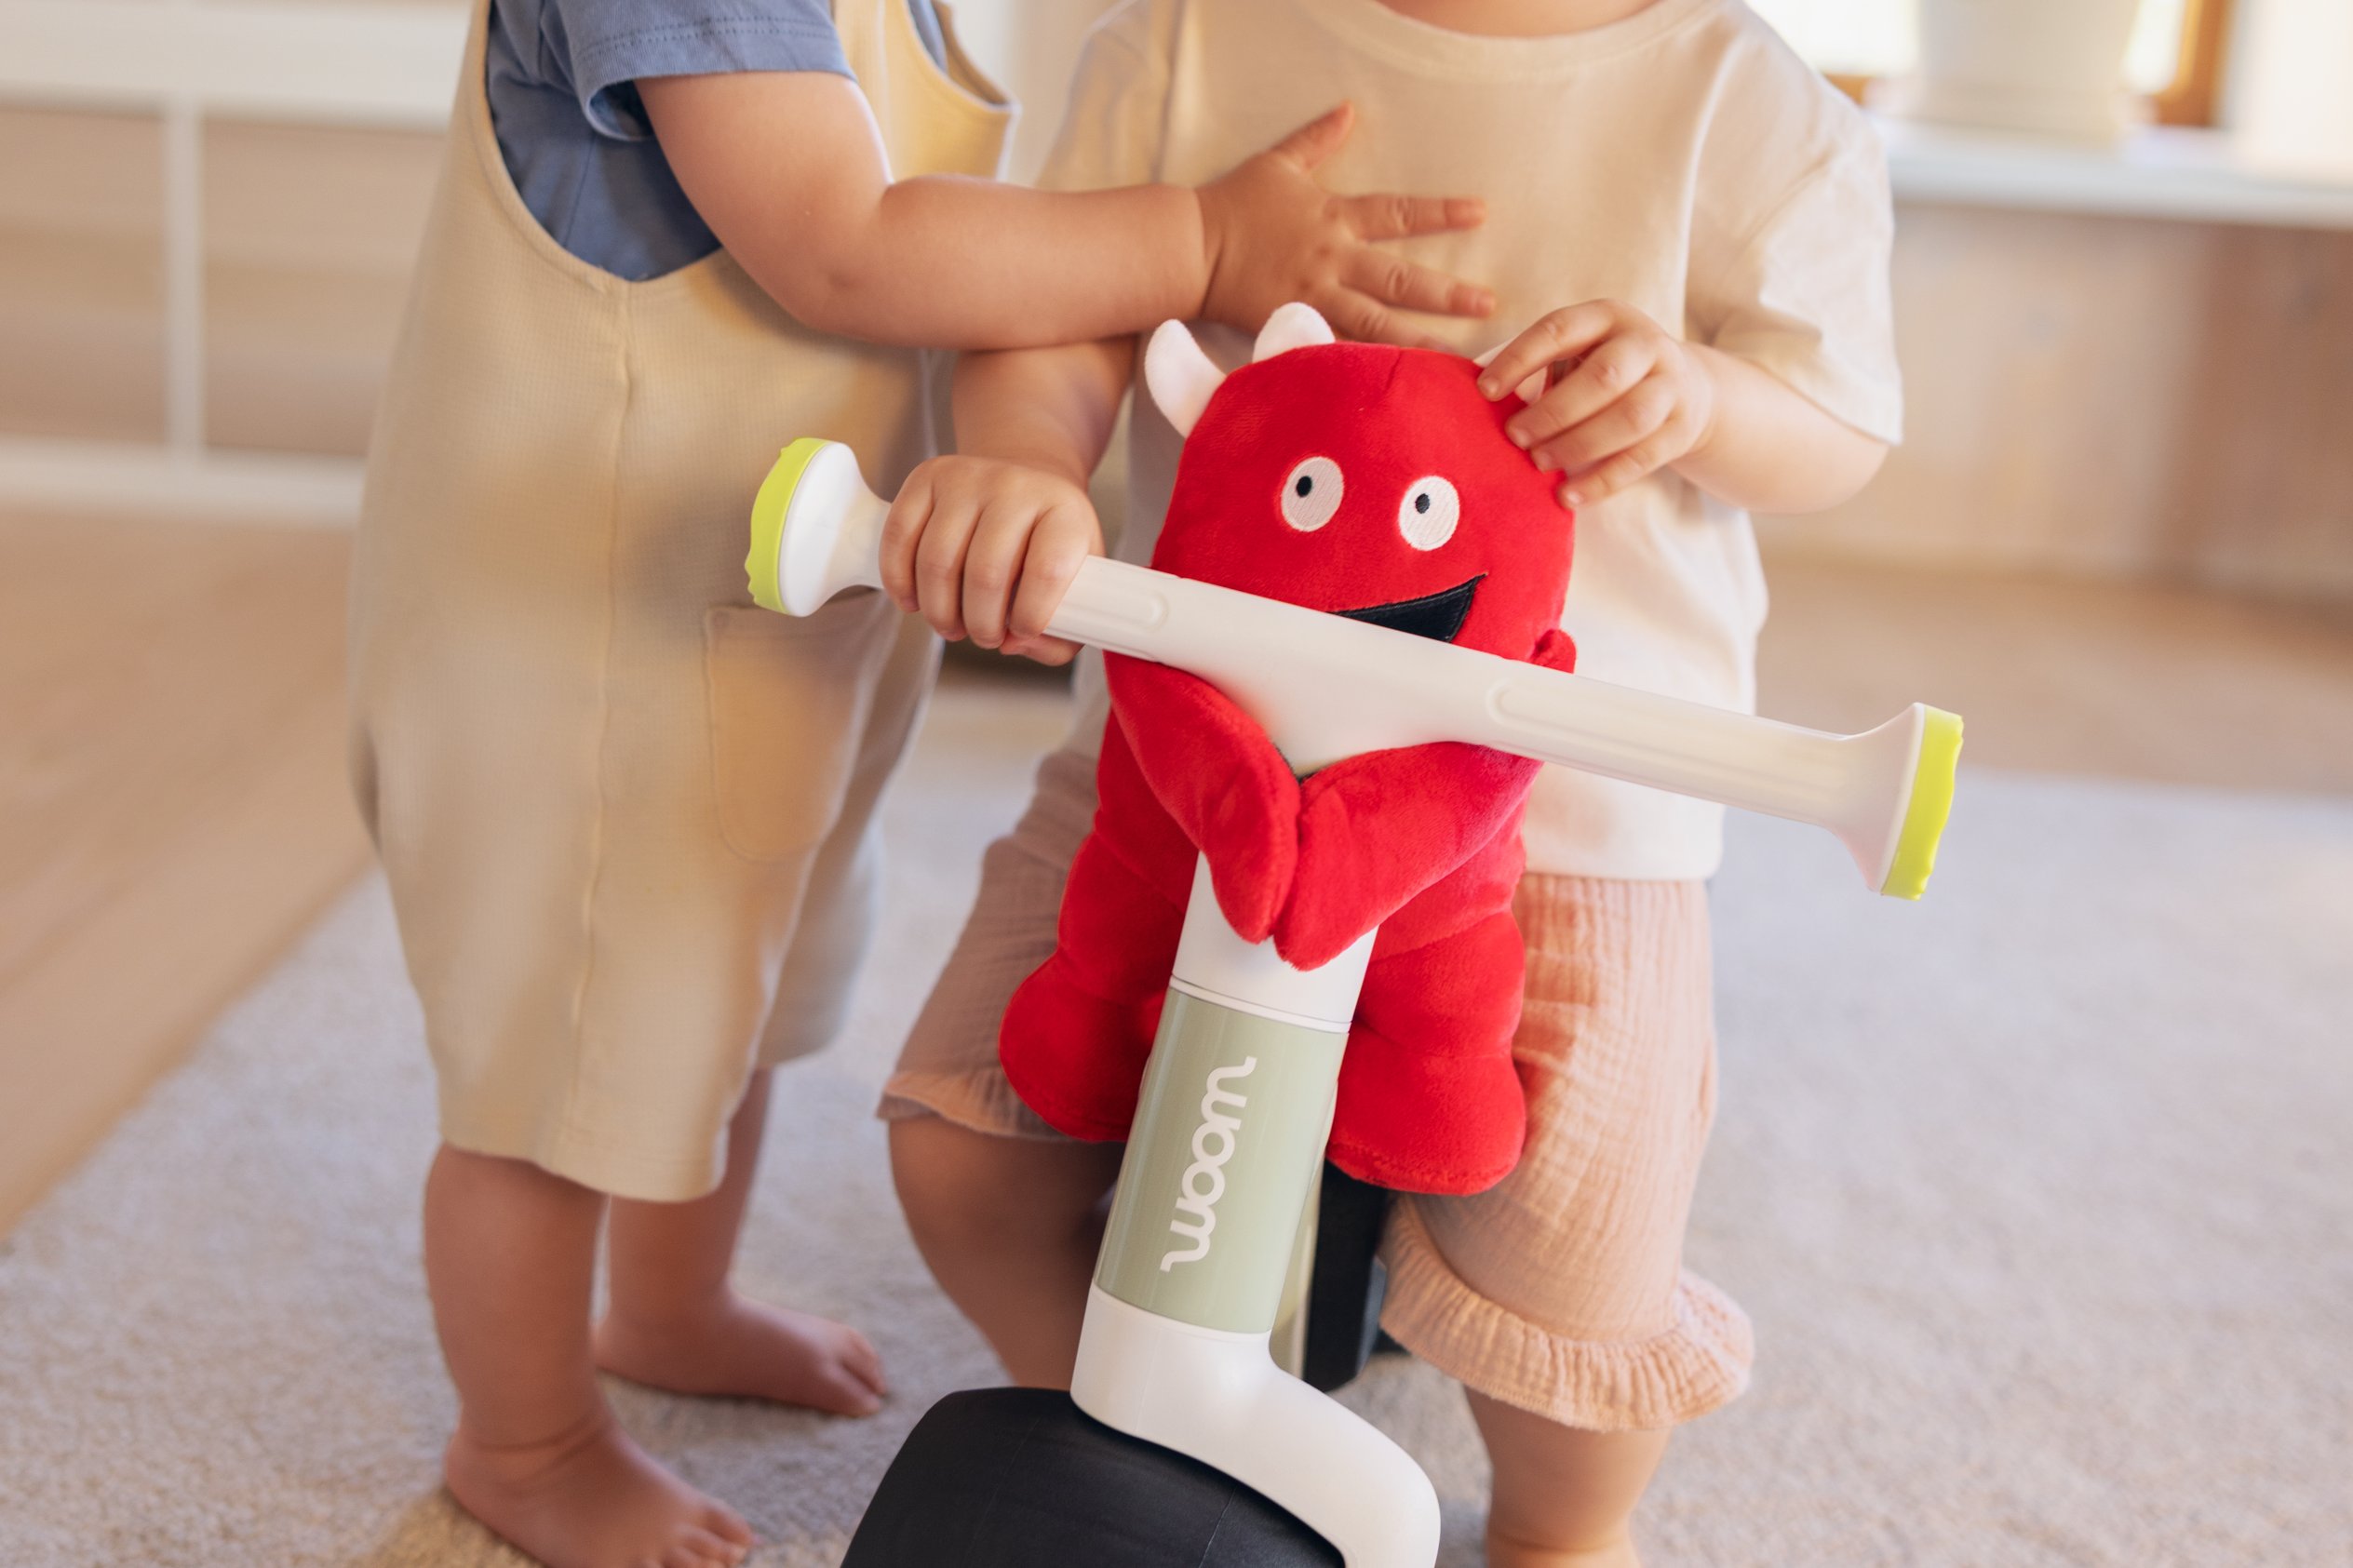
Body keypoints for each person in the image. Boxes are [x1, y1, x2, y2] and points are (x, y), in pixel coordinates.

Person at [345, 0, 1497, 1560]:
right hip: (584, 626)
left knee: (733, 980)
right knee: (559, 1068)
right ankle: (526, 1437)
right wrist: (1206, 237)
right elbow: (845, 242)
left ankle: (671, 1299)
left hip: (766, 611)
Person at [877, 1, 1902, 1562]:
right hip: (1186, 768)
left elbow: (1836, 421)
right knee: (967, 1142)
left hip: (1572, 809)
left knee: (1576, 1260)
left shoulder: (1750, 103)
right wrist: (1029, 457)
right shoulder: (1184, 38)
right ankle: (1118, 1424)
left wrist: (1696, 395)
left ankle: (1564, 1527)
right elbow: (1056, 315)